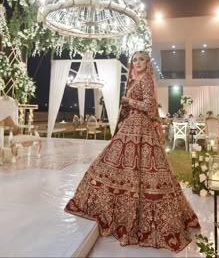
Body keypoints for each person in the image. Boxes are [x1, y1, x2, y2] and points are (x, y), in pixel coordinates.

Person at [64, 51, 200, 253]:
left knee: (137, 169)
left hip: (141, 128)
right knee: (115, 164)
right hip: (131, 127)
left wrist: (129, 101)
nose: (137, 63)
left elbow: (150, 107)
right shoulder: (136, 81)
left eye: (141, 59)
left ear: (147, 63)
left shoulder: (145, 80)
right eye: (135, 60)